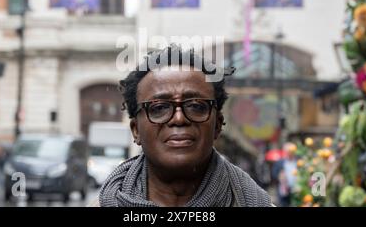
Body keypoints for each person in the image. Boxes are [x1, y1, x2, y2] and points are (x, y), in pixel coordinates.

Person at [98, 45, 273, 207]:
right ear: (136, 130)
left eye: (196, 106)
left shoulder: (254, 201)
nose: (179, 118)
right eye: (159, 107)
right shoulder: (104, 202)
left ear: (218, 126)